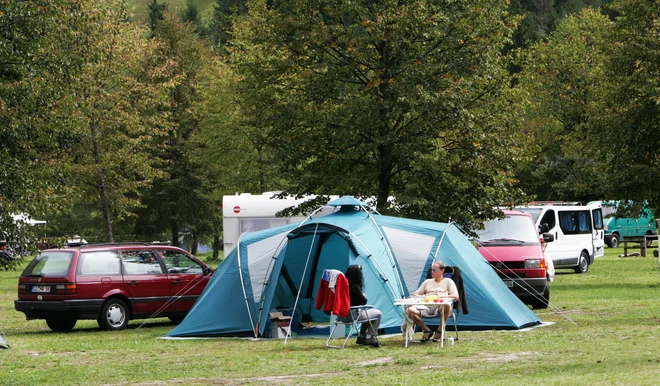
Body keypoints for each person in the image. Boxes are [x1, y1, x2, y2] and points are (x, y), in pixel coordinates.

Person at [406, 260, 459, 342]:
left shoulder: (448, 282)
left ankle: (440, 329)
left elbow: (456, 296)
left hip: (439, 306)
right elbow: (416, 294)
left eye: (435, 270)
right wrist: (423, 296)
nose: (432, 272)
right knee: (409, 310)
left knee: (447, 305)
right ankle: (426, 330)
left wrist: (442, 296)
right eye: (431, 270)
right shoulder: (427, 282)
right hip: (425, 306)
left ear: (442, 271)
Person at [345, 264, 382, 347]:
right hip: (353, 315)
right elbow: (364, 301)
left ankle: (362, 337)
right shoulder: (354, 286)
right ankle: (370, 337)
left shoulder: (343, 286)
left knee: (367, 314)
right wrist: (363, 295)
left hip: (342, 316)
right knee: (378, 313)